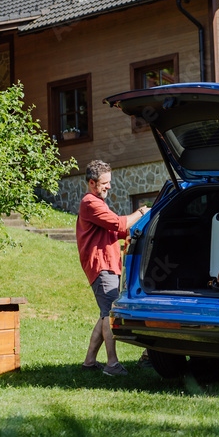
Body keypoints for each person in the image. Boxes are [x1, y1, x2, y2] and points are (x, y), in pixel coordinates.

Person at [76, 160, 149, 376]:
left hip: (108, 264)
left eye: (110, 182)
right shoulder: (90, 202)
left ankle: (89, 362)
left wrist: (134, 229)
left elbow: (115, 231)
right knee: (109, 314)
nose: (109, 186)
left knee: (103, 314)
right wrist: (141, 213)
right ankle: (112, 364)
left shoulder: (98, 202)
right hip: (101, 266)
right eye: (105, 183)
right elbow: (118, 224)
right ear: (92, 182)